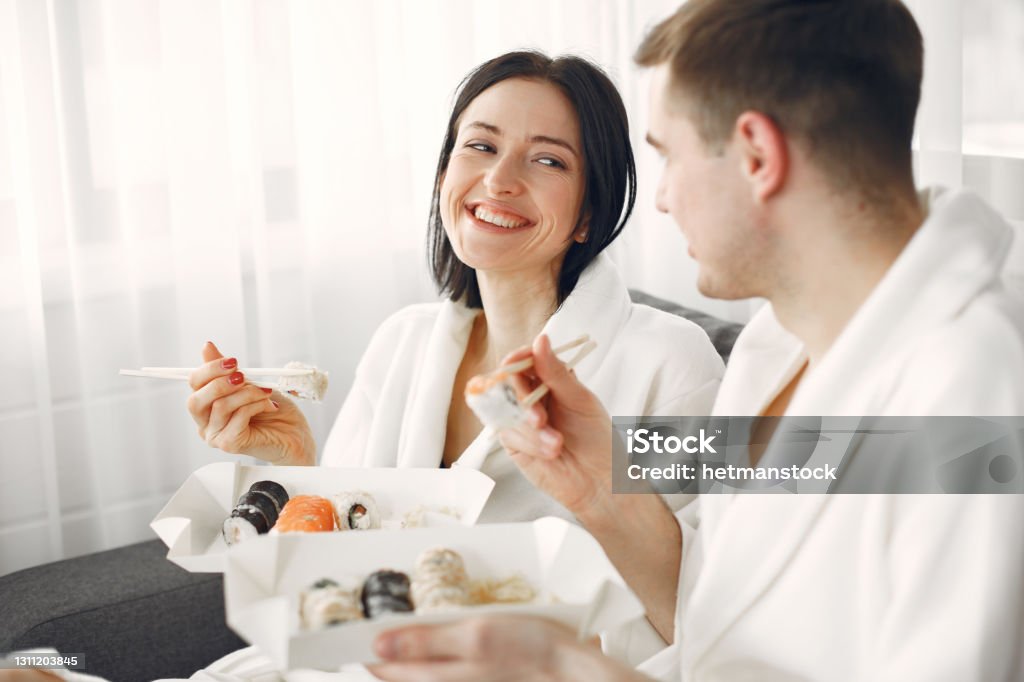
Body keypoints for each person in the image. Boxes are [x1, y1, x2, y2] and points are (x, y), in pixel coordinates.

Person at [368, 2, 1024, 681]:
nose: (659, 199)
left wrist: (571, 674)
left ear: (757, 156)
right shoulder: (778, 347)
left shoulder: (975, 388)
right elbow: (711, 625)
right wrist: (600, 485)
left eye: (669, 156)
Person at [184, 50, 723, 527]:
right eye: (481, 146)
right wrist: (297, 463)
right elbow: (345, 554)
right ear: (444, 175)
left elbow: (697, 592)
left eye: (548, 160)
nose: (499, 180)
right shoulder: (400, 341)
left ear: (588, 214)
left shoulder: (670, 362)